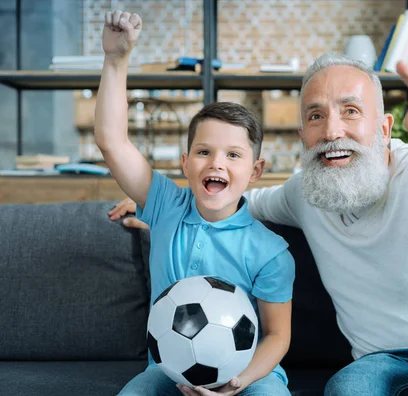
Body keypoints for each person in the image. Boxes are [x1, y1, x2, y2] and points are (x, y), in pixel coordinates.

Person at [109, 50, 408, 394]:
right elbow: (242, 199)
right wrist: (168, 208)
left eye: (351, 111)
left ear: (384, 127)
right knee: (347, 385)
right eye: (316, 116)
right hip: (388, 362)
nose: (332, 130)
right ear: (303, 135)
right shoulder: (307, 192)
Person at [97, 10, 295, 396]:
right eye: (204, 151)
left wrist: (238, 382)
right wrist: (115, 60)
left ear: (255, 171)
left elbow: (277, 335)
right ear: (186, 164)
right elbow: (112, 141)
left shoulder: (270, 253)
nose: (217, 162)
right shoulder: (166, 205)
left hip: (250, 374)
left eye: (233, 155)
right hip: (167, 371)